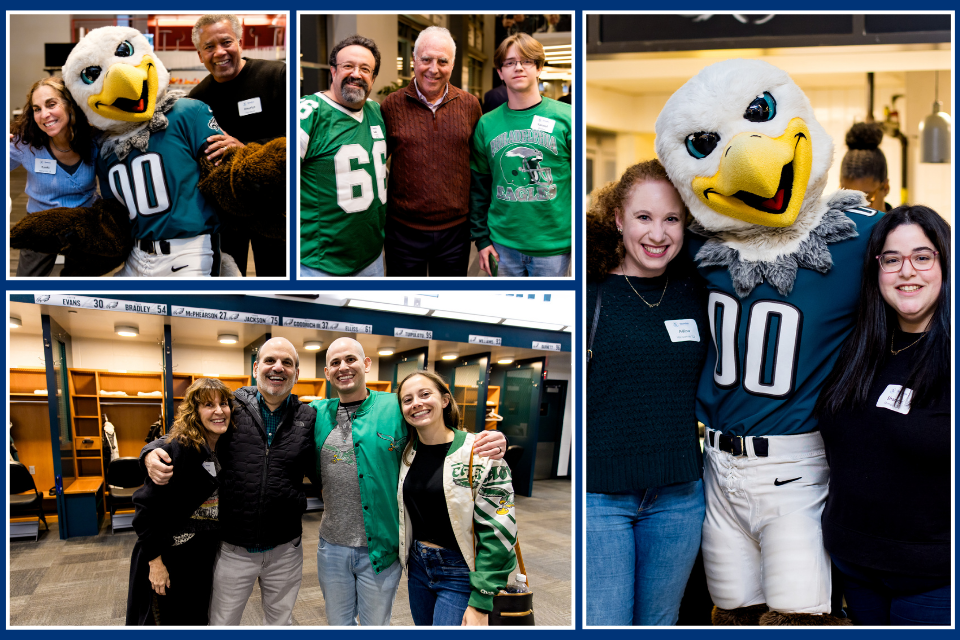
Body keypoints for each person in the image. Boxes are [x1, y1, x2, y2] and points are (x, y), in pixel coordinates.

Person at [584, 160, 708, 625]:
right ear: (617, 217)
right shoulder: (589, 290)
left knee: (659, 623)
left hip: (679, 495)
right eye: (644, 217)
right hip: (601, 498)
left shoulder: (697, 289)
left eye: (671, 219)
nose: (658, 234)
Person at [311, 337, 506, 625]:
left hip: (384, 546)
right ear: (327, 373)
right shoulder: (315, 413)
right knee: (337, 624)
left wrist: (489, 439)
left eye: (351, 359)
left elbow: (438, 432)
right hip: (333, 546)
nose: (344, 367)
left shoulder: (396, 406)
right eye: (335, 363)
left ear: (366, 364)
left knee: (376, 625)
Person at [817, 206, 950, 626]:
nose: (907, 271)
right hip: (852, 566)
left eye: (922, 256)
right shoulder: (858, 346)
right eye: (892, 259)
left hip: (931, 578)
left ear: (945, 263)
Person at [142, 338, 316, 625]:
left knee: (280, 624)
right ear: (256, 367)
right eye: (270, 361)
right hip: (234, 549)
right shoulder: (231, 407)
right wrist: (149, 452)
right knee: (222, 623)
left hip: (286, 550)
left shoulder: (308, 417)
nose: (278, 368)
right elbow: (185, 433)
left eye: (287, 363)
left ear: (296, 373)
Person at [397, 371, 517, 626]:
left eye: (425, 394)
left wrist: (483, 598)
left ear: (445, 400)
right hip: (418, 566)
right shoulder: (406, 453)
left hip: (462, 571)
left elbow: (500, 531)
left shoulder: (480, 453)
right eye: (407, 400)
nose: (416, 403)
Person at [126, 378, 234, 625]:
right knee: (166, 621)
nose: (219, 410)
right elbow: (144, 510)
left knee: (195, 619)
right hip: (167, 557)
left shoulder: (225, 446)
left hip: (200, 556)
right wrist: (155, 564)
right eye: (209, 404)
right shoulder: (179, 449)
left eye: (224, 403)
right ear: (194, 412)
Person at [189, 14, 287, 276]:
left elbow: (299, 138)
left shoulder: (277, 76)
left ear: (240, 42)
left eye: (226, 42)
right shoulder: (196, 101)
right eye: (209, 47)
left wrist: (245, 148)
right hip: (226, 215)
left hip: (276, 209)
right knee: (228, 282)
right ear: (200, 55)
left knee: (278, 282)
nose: (220, 52)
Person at [380, 26, 482, 277]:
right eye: (426, 59)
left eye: (442, 61)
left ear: (453, 64)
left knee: (449, 304)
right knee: (401, 304)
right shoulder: (391, 105)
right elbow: (377, 164)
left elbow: (479, 167)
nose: (433, 69)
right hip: (403, 232)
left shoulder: (470, 105)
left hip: (455, 233)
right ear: (414, 60)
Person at [470, 33, 572, 277]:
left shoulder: (568, 117)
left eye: (526, 61)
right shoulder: (486, 124)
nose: (518, 67)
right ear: (500, 72)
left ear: (538, 68)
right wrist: (481, 240)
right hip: (502, 246)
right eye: (509, 62)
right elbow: (479, 187)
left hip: (554, 247)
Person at [299, 35, 387, 277]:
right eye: (348, 66)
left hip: (372, 257)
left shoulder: (377, 111)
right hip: (319, 264)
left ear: (373, 78)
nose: (356, 74)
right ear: (333, 71)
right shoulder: (309, 112)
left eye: (365, 69)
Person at [10, 77, 97, 277]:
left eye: (51, 104)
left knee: (78, 292)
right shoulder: (26, 144)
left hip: (82, 224)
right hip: (40, 224)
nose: (44, 115)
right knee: (26, 289)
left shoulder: (94, 140)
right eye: (37, 108)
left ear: (69, 105)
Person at [840, 122, 891, 212]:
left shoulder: (899, 226)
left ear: (885, 188)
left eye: (866, 199)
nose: (856, 209)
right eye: (848, 200)